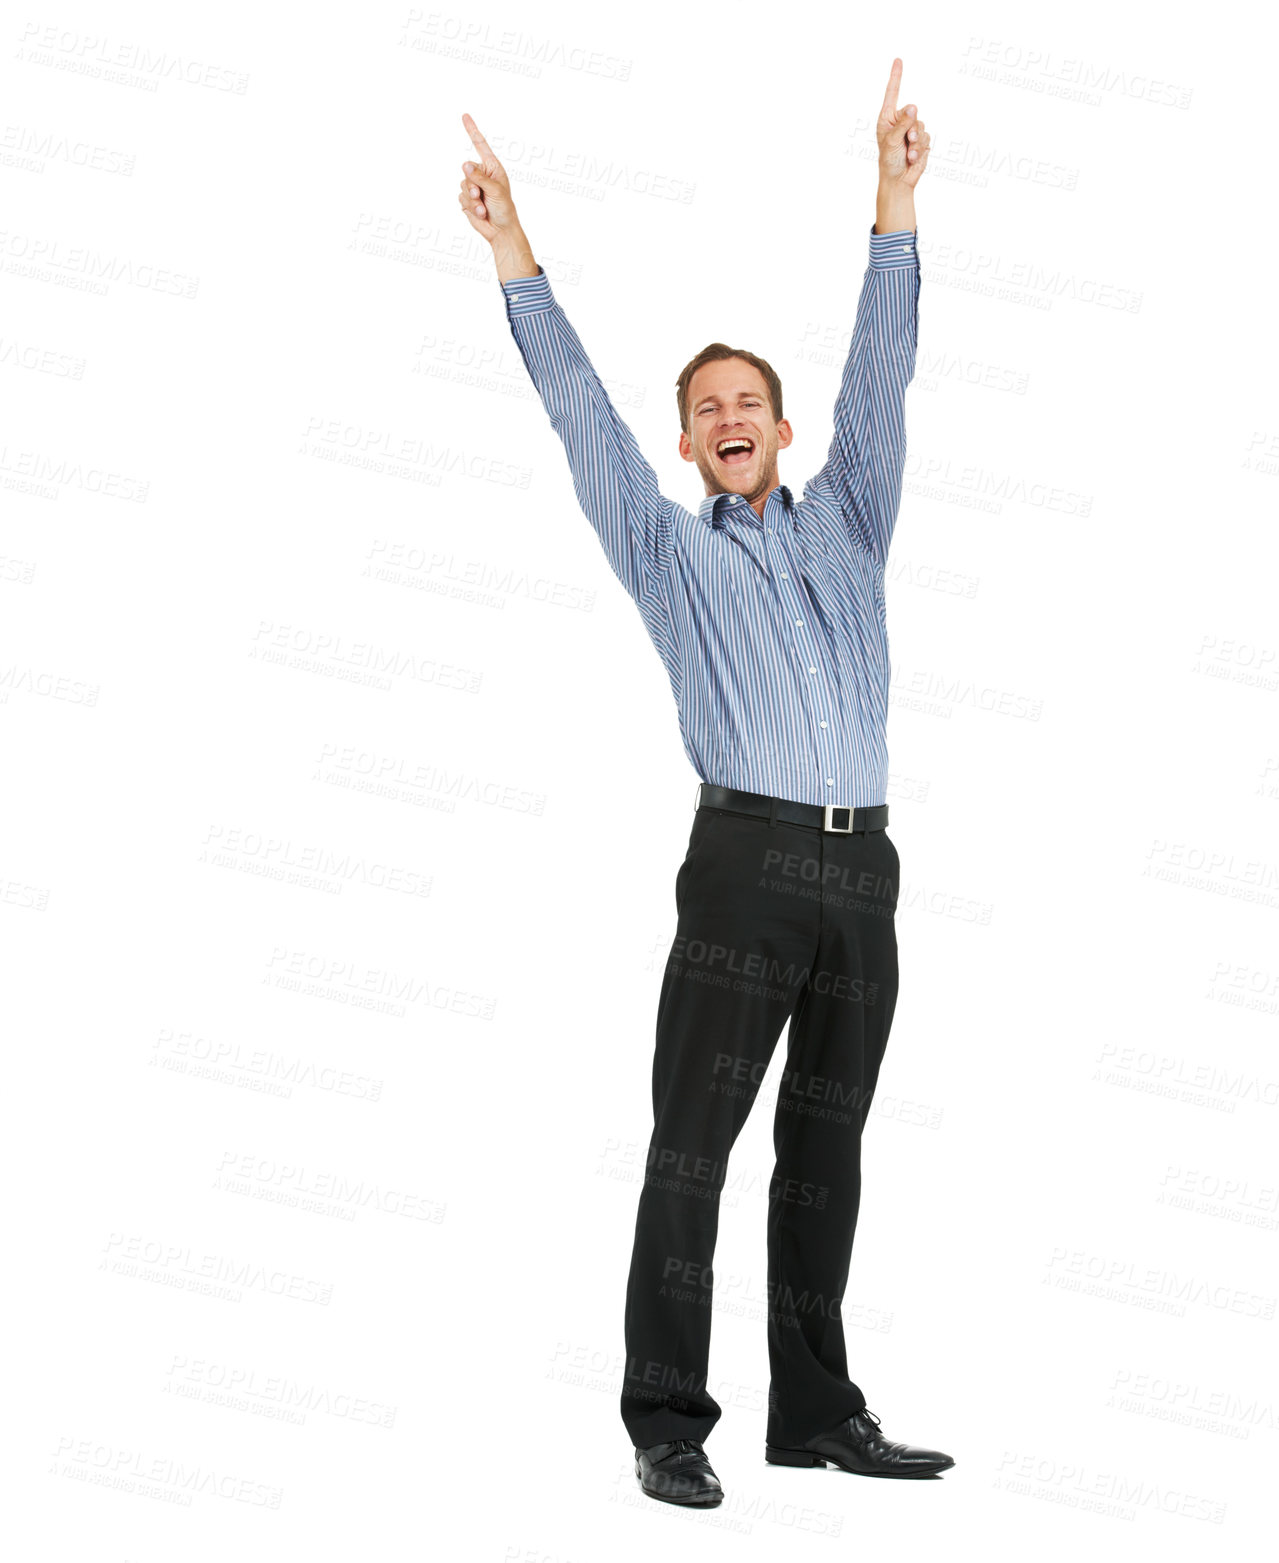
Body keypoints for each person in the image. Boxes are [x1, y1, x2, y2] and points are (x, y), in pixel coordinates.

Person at [457, 58, 953, 1508]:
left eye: (751, 400)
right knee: (697, 1141)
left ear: (781, 429)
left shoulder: (853, 519)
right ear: (689, 442)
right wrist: (514, 250)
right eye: (706, 407)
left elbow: (883, 377)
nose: (730, 417)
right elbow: (579, 420)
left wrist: (897, 204)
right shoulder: (671, 554)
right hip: (744, 861)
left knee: (826, 1148)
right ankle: (669, 1420)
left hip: (866, 869)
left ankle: (816, 1411)